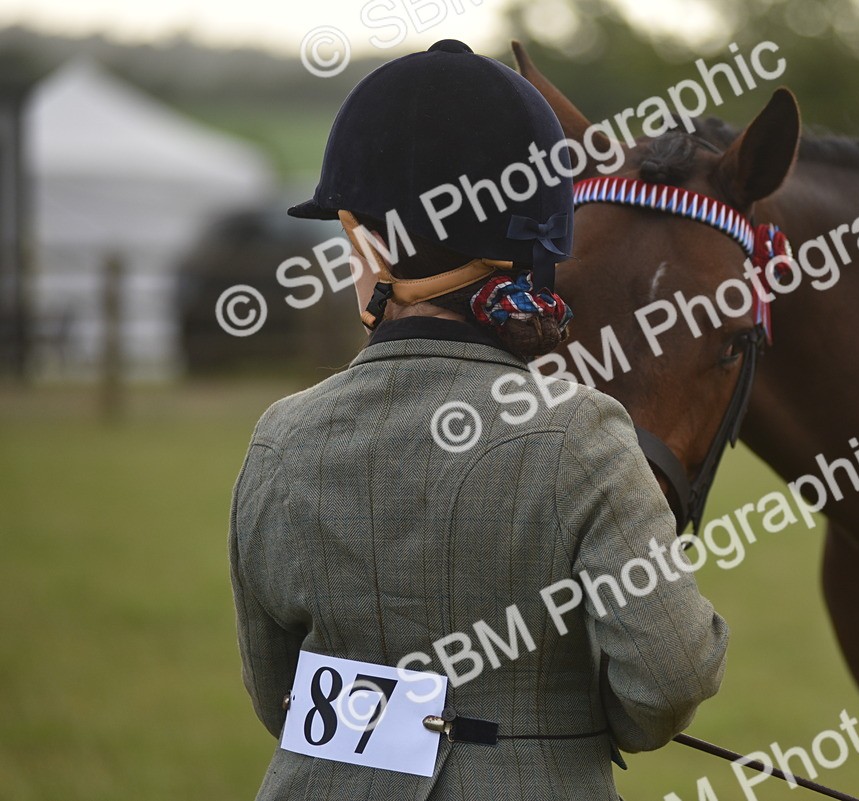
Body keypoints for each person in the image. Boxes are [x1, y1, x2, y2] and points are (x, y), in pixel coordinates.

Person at [229, 40, 728, 800]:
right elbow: (670, 675)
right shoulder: (584, 433)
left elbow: (279, 695)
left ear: (364, 240)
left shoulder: (280, 438)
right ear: (536, 248)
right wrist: (556, 719)